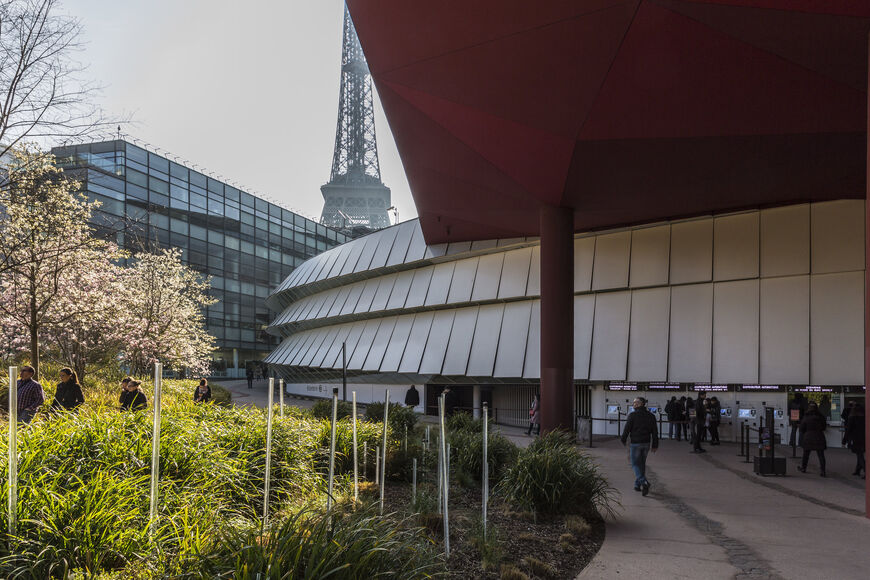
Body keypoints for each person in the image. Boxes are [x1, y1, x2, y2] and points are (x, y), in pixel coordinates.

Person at [620, 397, 658, 496]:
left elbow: (627, 429)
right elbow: (654, 432)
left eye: (634, 403)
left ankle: (644, 482)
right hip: (646, 443)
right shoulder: (651, 416)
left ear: (639, 404)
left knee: (635, 464)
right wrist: (655, 445)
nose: (633, 404)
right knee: (641, 464)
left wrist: (623, 439)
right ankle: (637, 485)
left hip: (636, 443)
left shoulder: (632, 415)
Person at [798, 401, 827, 476]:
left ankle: (804, 468)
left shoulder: (806, 416)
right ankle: (823, 471)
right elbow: (824, 427)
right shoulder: (821, 416)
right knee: (821, 455)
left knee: (806, 454)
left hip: (808, 437)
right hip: (819, 436)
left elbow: (801, 428)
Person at [843, 403, 865, 479]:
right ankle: (857, 470)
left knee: (859, 455)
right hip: (864, 438)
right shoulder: (865, 417)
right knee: (860, 454)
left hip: (856, 438)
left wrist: (844, 440)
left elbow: (848, 430)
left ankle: (866, 471)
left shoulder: (852, 418)